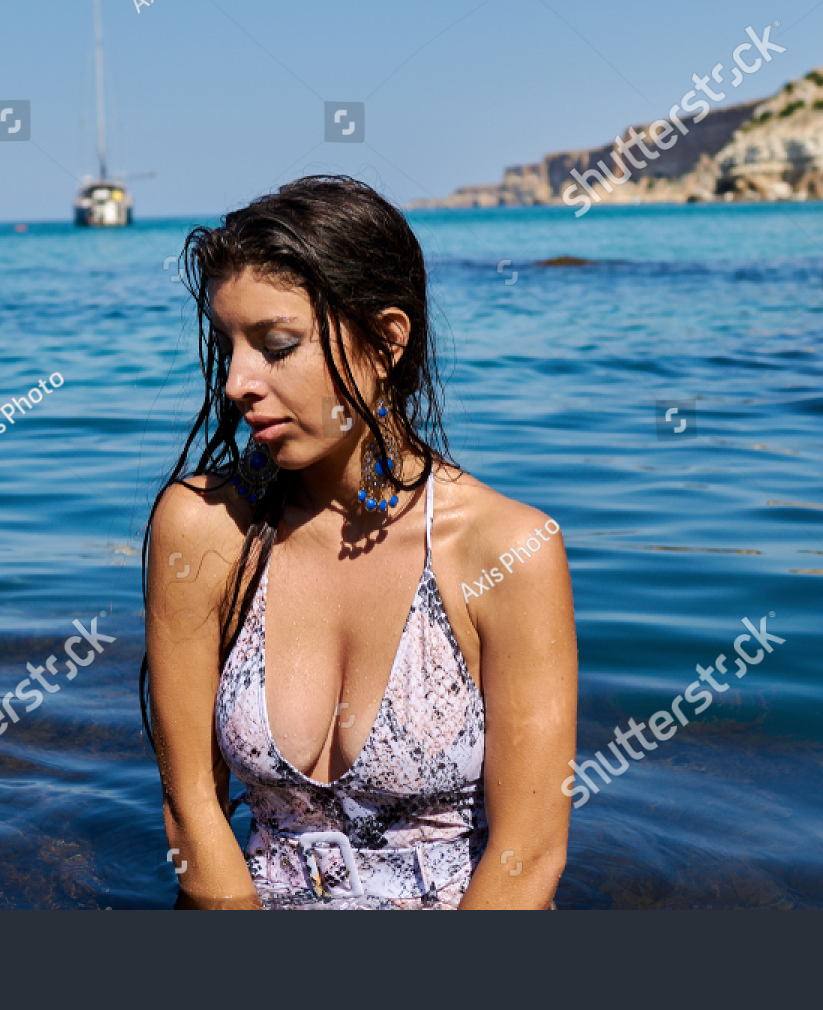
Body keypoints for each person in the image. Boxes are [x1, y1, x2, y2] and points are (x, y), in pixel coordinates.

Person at [140, 176, 577, 909]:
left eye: (277, 346)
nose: (238, 382)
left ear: (386, 340)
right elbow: (192, 809)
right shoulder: (205, 528)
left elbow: (527, 853)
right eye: (228, 346)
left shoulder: (507, 551)